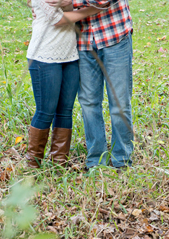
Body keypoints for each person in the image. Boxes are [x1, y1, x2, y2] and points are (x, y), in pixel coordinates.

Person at [45, 0, 134, 170]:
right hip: (83, 41)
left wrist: (70, 1)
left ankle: (122, 160)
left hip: (114, 34)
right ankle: (96, 160)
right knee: (89, 103)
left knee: (120, 102)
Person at [26, 0, 101, 168]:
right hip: (44, 56)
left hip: (70, 55)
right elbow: (57, 20)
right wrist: (92, 10)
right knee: (46, 111)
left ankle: (59, 164)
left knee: (65, 111)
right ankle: (33, 165)